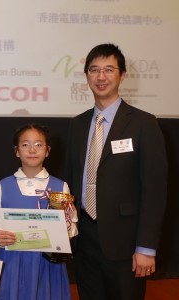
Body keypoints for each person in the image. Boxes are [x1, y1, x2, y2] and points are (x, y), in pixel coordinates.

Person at [65, 43, 167, 300]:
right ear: (87, 75)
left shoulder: (144, 123)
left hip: (126, 244)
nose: (101, 77)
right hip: (84, 240)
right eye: (94, 70)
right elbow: (71, 181)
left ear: (122, 75)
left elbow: (155, 190)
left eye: (109, 70)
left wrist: (146, 247)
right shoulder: (77, 125)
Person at [0, 123, 71, 300]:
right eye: (25, 144)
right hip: (12, 261)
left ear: (47, 150)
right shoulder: (4, 185)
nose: (32, 150)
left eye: (38, 144)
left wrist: (63, 232)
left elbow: (71, 224)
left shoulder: (60, 187)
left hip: (47, 264)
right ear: (17, 151)